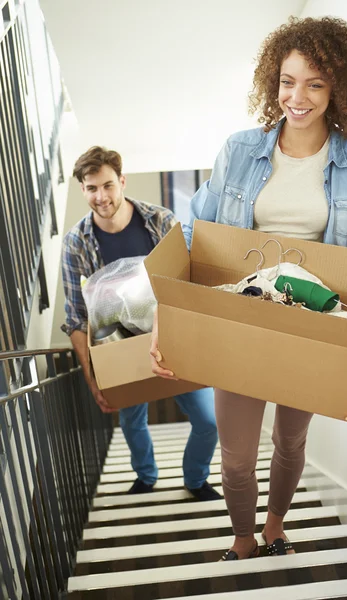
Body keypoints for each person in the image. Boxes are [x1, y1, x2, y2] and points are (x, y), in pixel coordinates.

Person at [151, 16, 347, 558]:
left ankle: (274, 528)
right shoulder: (240, 150)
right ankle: (242, 537)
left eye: (315, 83)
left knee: (290, 441)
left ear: (339, 89)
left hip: (312, 323)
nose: (298, 96)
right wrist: (163, 324)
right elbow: (194, 242)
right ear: (273, 82)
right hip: (243, 310)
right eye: (288, 81)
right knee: (237, 455)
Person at [61, 146, 221, 500]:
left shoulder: (159, 220)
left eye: (107, 185)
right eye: (91, 189)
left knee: (209, 421)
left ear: (122, 181)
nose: (101, 197)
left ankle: (195, 479)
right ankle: (145, 477)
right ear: (83, 190)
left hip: (172, 337)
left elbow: (187, 282)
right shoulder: (76, 242)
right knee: (132, 422)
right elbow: (75, 317)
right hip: (118, 347)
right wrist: (94, 380)